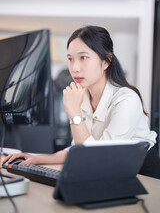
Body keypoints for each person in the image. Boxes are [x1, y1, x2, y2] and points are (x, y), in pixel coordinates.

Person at [3, 26, 160, 178]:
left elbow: (99, 157)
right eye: (71, 59)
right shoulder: (82, 95)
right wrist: (37, 159)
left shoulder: (127, 100)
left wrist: (74, 113)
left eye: (83, 58)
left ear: (106, 61)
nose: (75, 68)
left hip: (141, 171)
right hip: (107, 166)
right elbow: (79, 148)